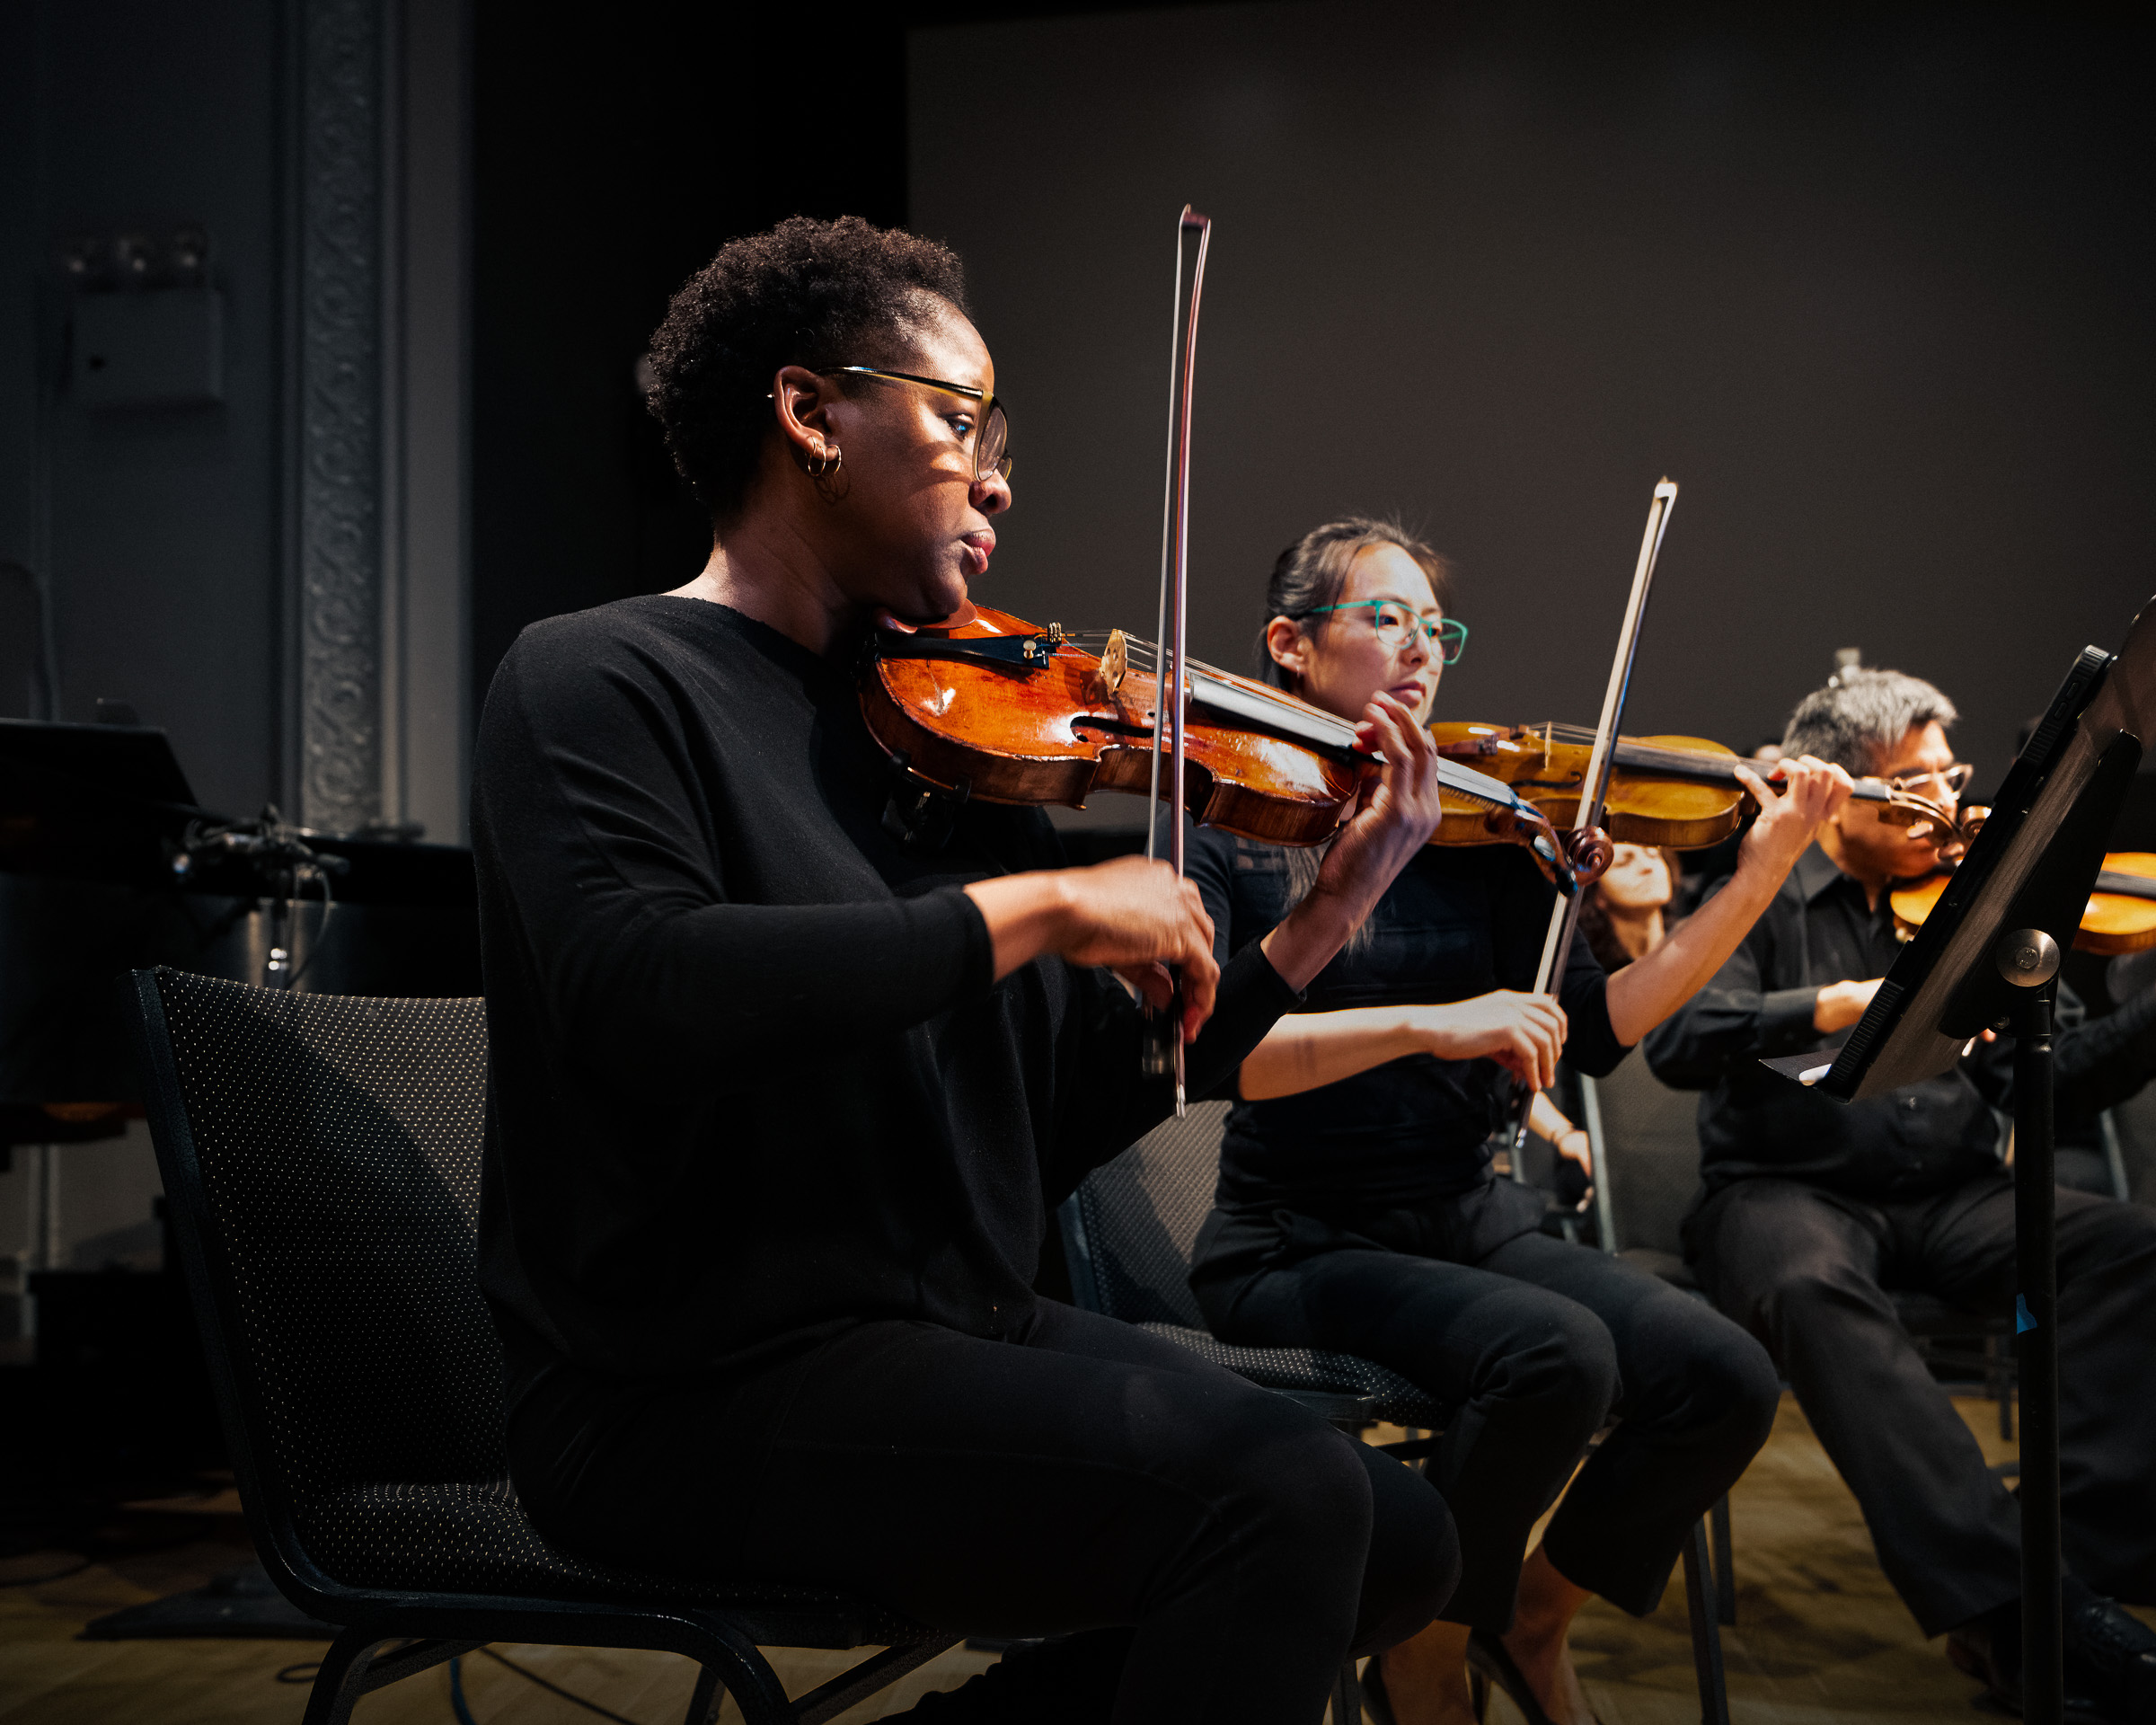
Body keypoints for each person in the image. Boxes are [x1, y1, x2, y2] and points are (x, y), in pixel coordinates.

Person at [470, 218, 1465, 1725]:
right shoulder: (598, 677)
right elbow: (636, 988)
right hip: (686, 1383)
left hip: (942, 1331)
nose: (997, 478)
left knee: (1404, 1540)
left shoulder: (947, 733)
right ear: (810, 415)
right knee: (1281, 1499)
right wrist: (1041, 910)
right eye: (958, 422)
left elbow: (1064, 1114)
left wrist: (1327, 912)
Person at [1176, 516, 1855, 1725]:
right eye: (1386, 618)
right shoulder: (1234, 821)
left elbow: (1598, 1029)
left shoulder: (1486, 827)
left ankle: (1529, 1616)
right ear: (1290, 644)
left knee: (1725, 1377)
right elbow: (1223, 1061)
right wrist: (1436, 1024)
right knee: (1557, 1357)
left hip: (1465, 1214)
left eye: (1437, 629)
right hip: (1298, 1237)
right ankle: (1423, 1645)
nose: (1421, 648)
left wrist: (1759, 872)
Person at [1644, 668, 2156, 1722]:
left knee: (2132, 1249)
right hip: (1784, 1192)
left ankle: (2053, 1578)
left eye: (1951, 777)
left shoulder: (1974, 905)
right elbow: (1682, 1038)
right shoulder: (1762, 886)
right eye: (1916, 783)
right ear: (1842, 790)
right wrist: (1836, 1004)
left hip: (1953, 1193)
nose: (1947, 805)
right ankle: (2016, 1617)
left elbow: (2050, 1084)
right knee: (1808, 1286)